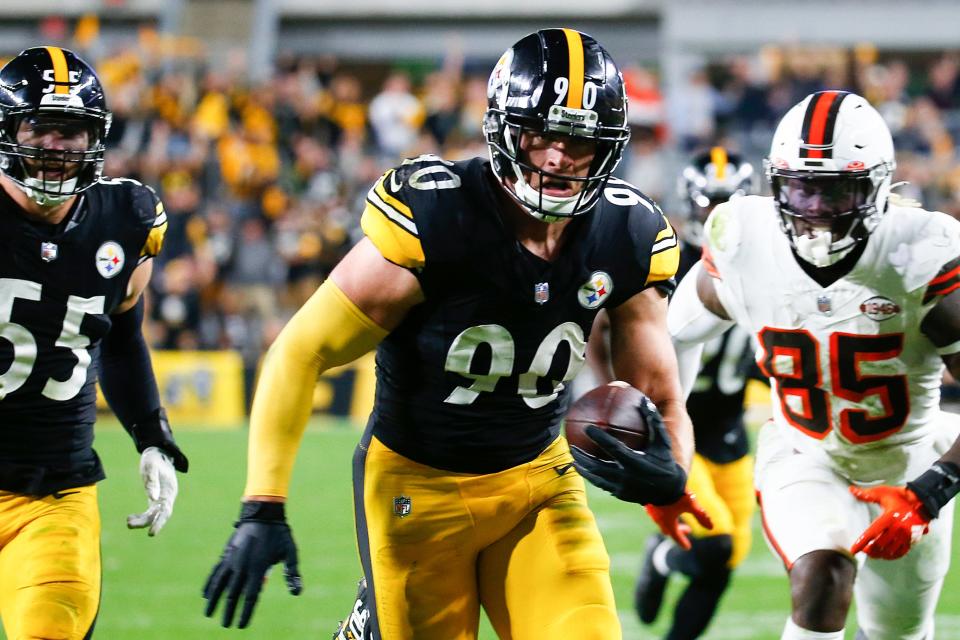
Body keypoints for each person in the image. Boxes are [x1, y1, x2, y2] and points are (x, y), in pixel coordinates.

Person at [202, 28, 709, 639]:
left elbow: (661, 397)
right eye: (542, 134)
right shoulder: (438, 216)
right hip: (418, 488)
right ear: (503, 129)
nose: (556, 158)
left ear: (606, 148)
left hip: (537, 482)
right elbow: (300, 351)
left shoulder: (625, 233)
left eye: (578, 141)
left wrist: (672, 473)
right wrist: (262, 505)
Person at [669, 90, 960, 640]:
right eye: (801, 188)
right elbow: (674, 335)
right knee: (821, 577)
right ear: (776, 183)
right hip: (806, 452)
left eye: (836, 190)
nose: (815, 210)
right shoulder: (745, 242)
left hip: (907, 460)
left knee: (897, 632)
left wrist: (930, 490)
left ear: (875, 187)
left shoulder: (920, 254)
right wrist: (673, 440)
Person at [0, 47, 188, 639]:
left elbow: (123, 335)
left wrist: (151, 435)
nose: (56, 145)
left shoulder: (129, 217)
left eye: (73, 130)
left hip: (53, 494)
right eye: (41, 127)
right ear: (8, 129)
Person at [629, 148, 759, 639]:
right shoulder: (668, 263)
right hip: (677, 424)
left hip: (728, 427)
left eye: (728, 202)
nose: (717, 215)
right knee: (715, 543)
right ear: (689, 205)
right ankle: (661, 558)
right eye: (710, 204)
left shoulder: (767, 261)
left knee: (728, 559)